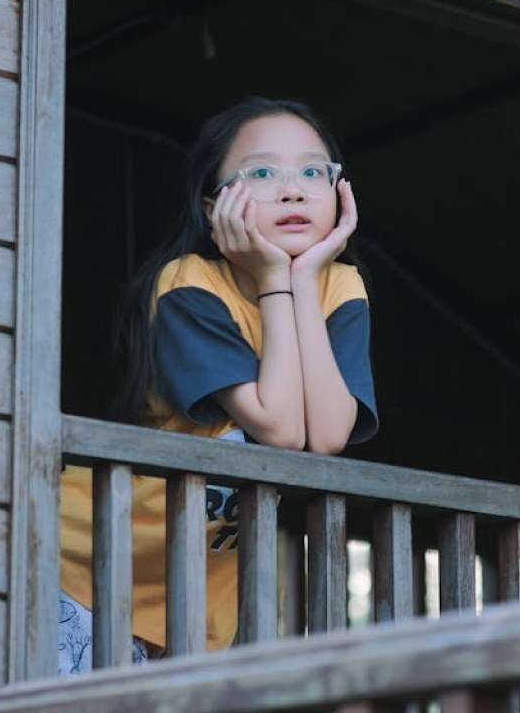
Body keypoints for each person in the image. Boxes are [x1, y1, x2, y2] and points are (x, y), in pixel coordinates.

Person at [58, 96, 379, 675]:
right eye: (262, 173)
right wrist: (274, 275)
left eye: (314, 172)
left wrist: (303, 277)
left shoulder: (339, 286)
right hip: (86, 569)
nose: (293, 191)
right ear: (215, 206)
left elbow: (329, 435)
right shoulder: (189, 283)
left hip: (194, 601)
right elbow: (281, 429)